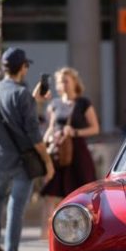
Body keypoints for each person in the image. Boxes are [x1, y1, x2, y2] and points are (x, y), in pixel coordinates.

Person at [0, 47, 54, 251]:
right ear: (23, 67)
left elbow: (5, 116)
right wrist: (48, 162)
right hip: (22, 162)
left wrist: (34, 101)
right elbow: (34, 135)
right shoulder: (22, 95)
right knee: (15, 209)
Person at [41, 67, 100, 224]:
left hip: (78, 153)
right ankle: (47, 236)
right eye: (61, 81)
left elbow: (95, 128)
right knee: (51, 195)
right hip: (58, 153)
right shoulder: (54, 104)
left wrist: (75, 132)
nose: (64, 84)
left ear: (75, 82)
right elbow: (50, 127)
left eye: (67, 81)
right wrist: (44, 144)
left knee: (83, 194)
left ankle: (85, 228)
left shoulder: (83, 103)